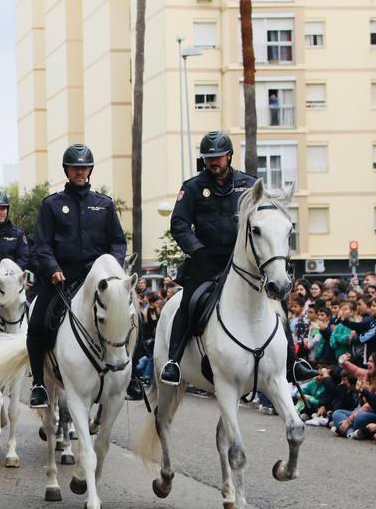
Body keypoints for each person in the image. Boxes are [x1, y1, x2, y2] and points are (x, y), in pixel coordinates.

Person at [160, 130, 315, 387]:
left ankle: (292, 363)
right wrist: (197, 250)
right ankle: (174, 361)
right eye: (209, 158)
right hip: (207, 262)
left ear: (229, 156)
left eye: (218, 157)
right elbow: (179, 224)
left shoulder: (250, 185)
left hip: (245, 264)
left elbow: (264, 219)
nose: (214, 162)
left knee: (277, 302)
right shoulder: (193, 188)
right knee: (189, 303)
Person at [26, 143, 128, 408]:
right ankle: (38, 383)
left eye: (84, 168)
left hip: (99, 281)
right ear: (67, 171)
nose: (80, 172)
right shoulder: (51, 205)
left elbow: (118, 241)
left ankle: (133, 375)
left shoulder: (104, 205)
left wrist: (113, 268)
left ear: (90, 170)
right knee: (37, 324)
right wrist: (52, 269)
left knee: (129, 316)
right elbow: (41, 244)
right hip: (62, 279)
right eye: (75, 168)